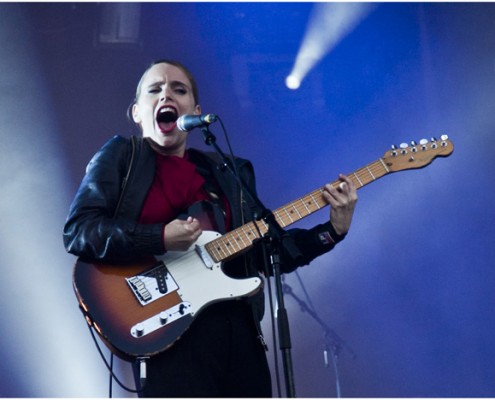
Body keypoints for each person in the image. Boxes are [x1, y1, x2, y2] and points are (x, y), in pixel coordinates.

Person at [63, 59, 358, 397]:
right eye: (154, 90)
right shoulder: (121, 157)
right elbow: (79, 230)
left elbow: (266, 251)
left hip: (238, 336)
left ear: (196, 109)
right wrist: (159, 236)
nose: (166, 95)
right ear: (136, 112)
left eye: (179, 89)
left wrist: (333, 230)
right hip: (168, 337)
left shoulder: (224, 172)